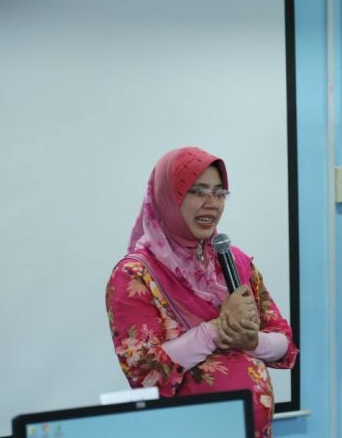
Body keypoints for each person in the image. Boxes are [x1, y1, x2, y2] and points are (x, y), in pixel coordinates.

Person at [105, 147, 298, 438]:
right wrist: (217, 330)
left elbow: (284, 341)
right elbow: (145, 371)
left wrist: (251, 341)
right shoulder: (135, 275)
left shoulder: (234, 261)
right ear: (168, 198)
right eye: (197, 192)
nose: (212, 204)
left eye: (220, 193)